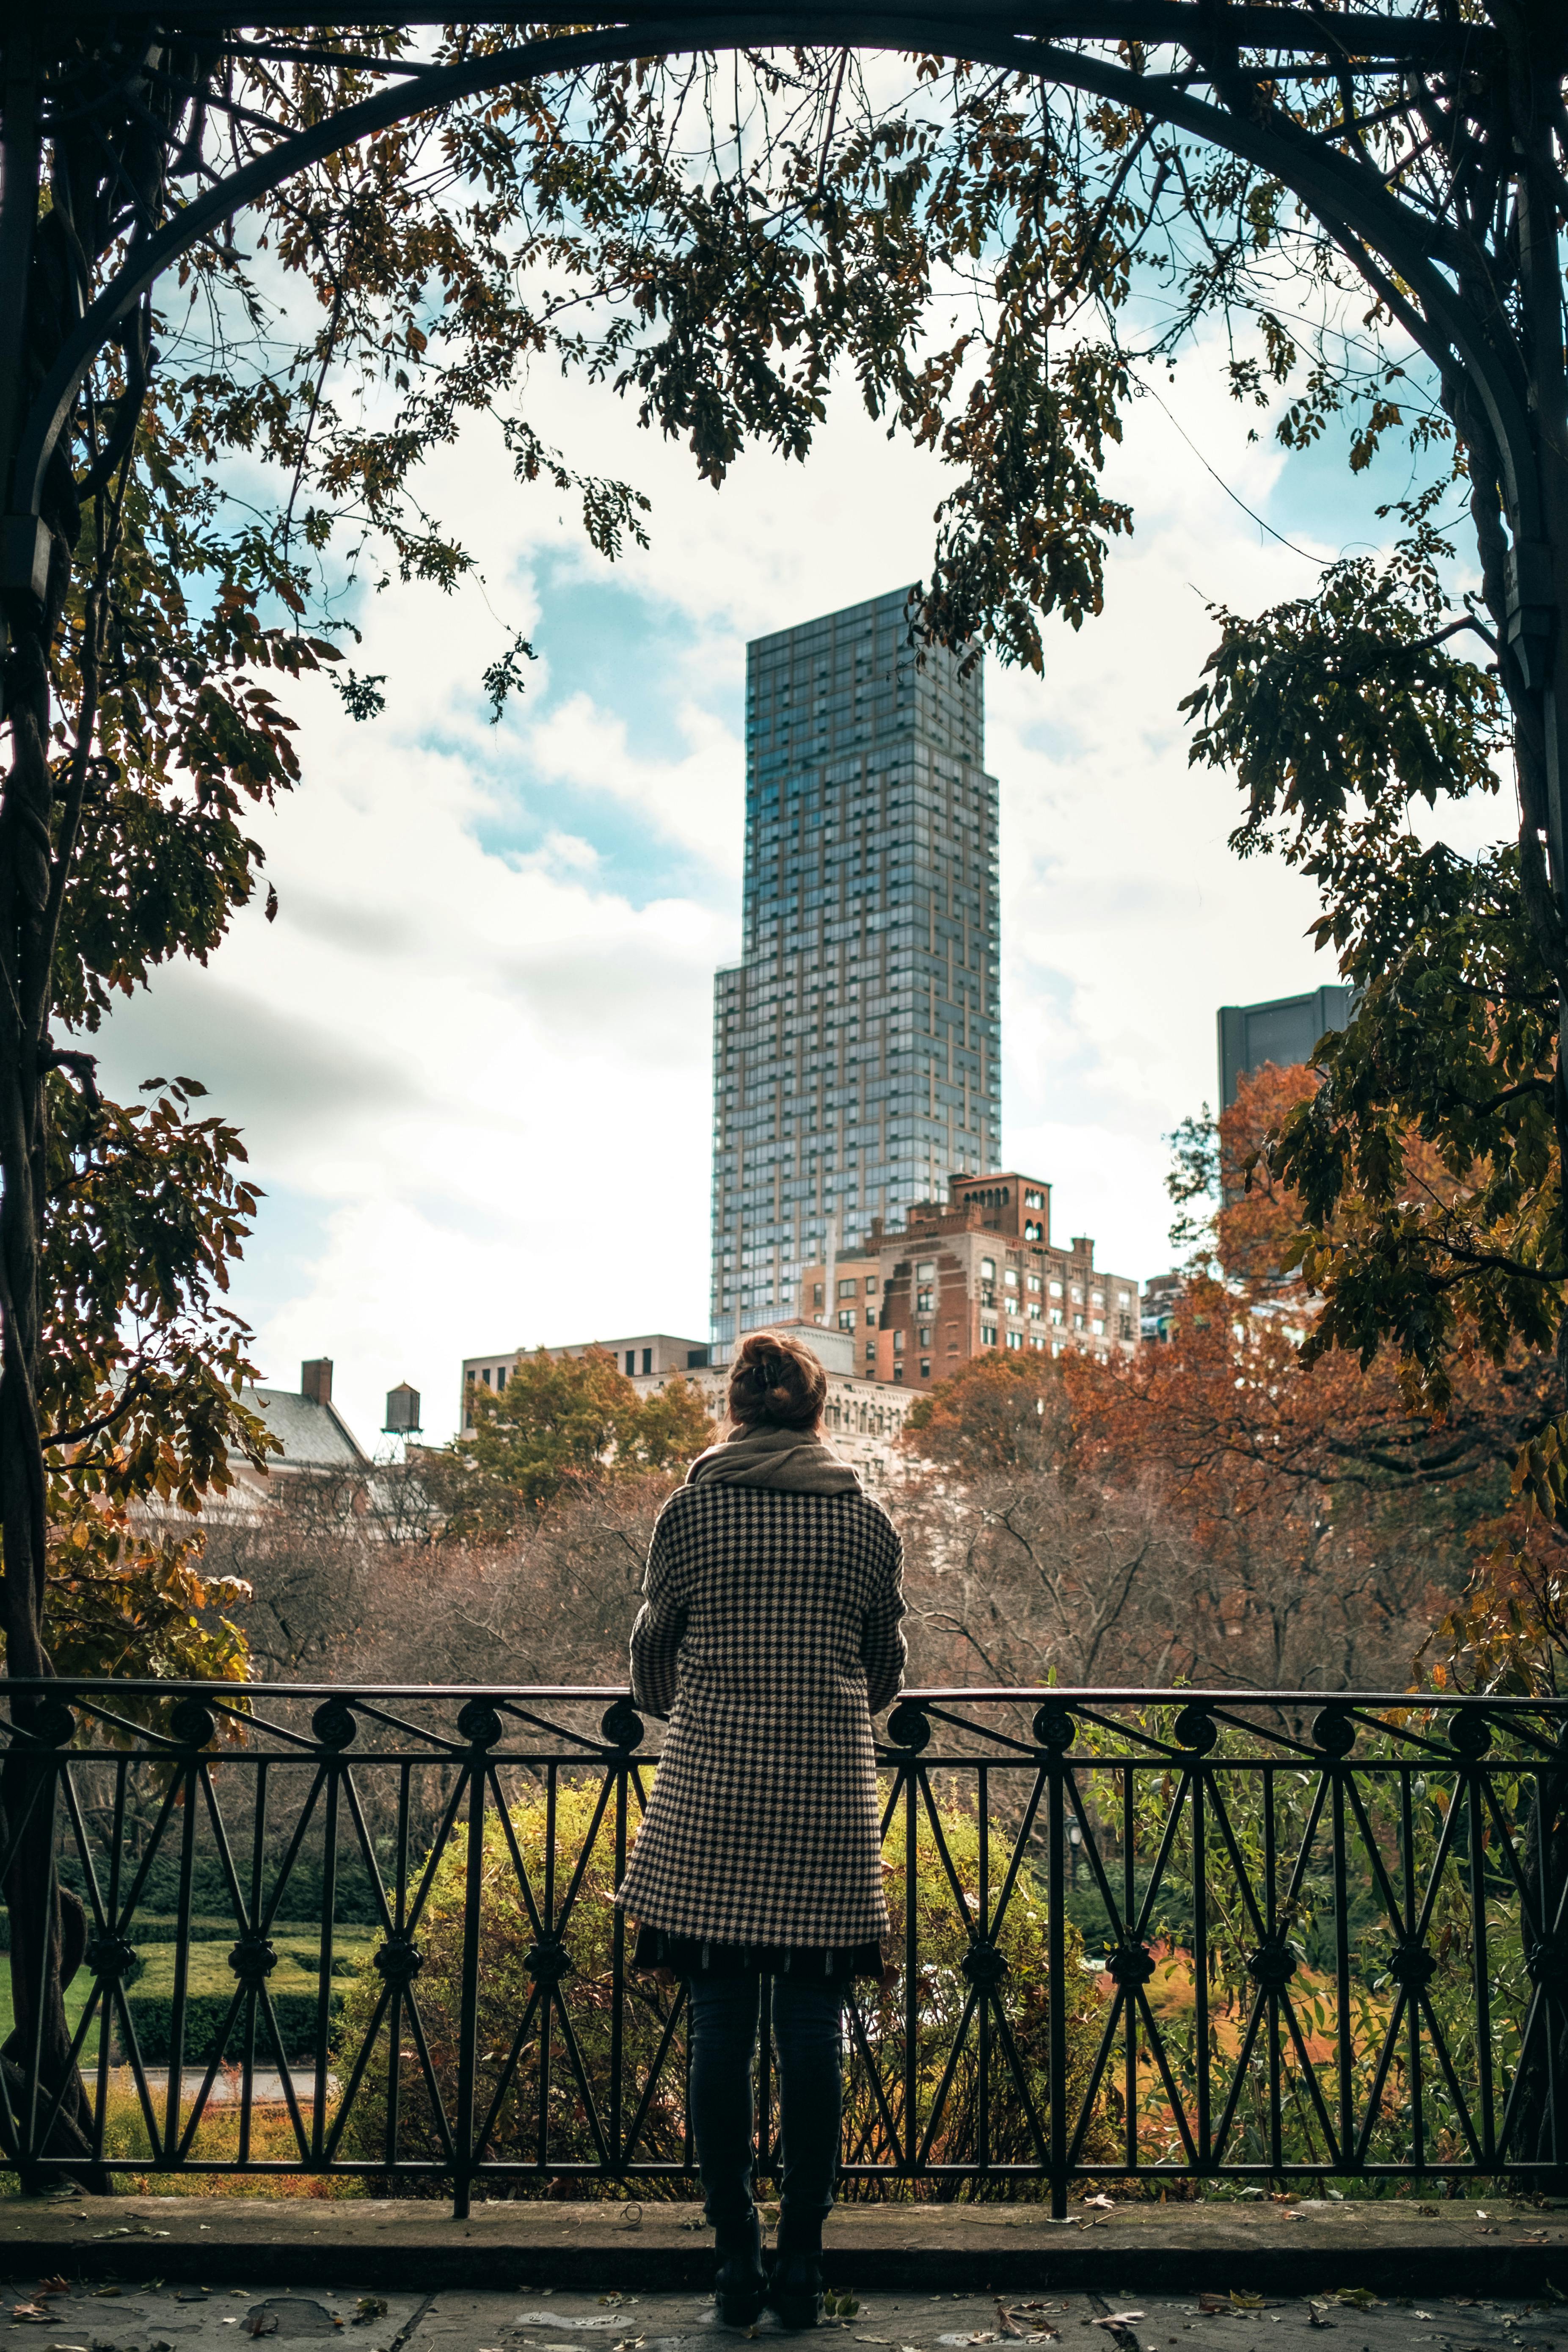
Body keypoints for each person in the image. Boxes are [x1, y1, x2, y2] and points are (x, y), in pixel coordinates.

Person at [616, 1329, 906, 2330]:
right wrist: (826, 1706)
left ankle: (733, 2258)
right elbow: (883, 1663)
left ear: (735, 1408)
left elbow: (653, 1646)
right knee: (813, 2036)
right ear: (818, 1413)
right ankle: (804, 2264)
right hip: (824, 1796)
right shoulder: (865, 1521)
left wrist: (684, 1706)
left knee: (718, 2029)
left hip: (710, 1795)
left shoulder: (691, 1510)